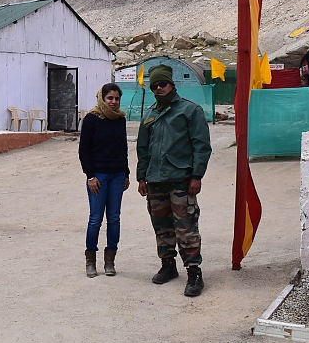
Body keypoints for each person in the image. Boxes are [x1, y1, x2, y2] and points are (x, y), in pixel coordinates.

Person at [136, 65, 212, 296]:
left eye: (163, 84)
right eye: (155, 86)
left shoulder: (189, 111)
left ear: (172, 84)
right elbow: (143, 148)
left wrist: (196, 176)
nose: (159, 88)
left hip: (181, 179)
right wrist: (142, 177)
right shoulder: (149, 114)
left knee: (186, 226)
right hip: (155, 180)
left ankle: (194, 273)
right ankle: (168, 266)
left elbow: (202, 146)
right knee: (161, 226)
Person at [78, 83, 130, 278]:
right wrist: (90, 176)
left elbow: (123, 148)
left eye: (117, 99)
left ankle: (110, 261)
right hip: (98, 176)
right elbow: (84, 150)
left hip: (117, 175)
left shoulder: (120, 119)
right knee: (95, 219)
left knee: (114, 218)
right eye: (110, 98)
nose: (114, 102)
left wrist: (126, 173)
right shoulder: (91, 119)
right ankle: (90, 261)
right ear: (102, 98)